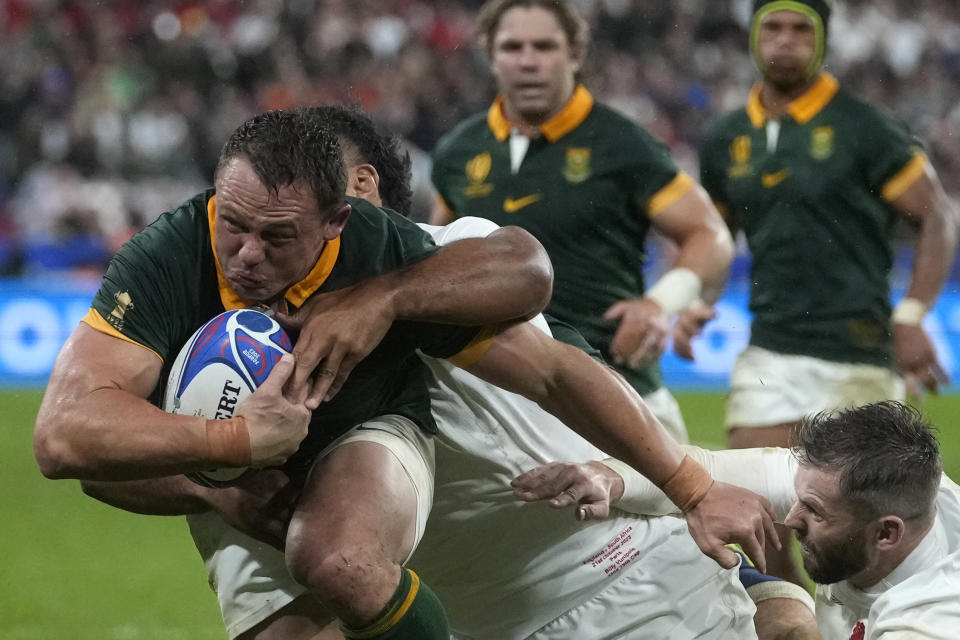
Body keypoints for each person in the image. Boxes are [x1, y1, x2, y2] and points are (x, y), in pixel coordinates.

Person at [38, 106, 773, 640]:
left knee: (338, 560)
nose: (246, 255)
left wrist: (693, 490)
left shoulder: (387, 252)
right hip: (227, 470)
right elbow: (69, 442)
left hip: (371, 431)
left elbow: (546, 362)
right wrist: (227, 454)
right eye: (232, 223)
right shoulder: (169, 258)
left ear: (338, 219)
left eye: (276, 236)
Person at [683, 0, 958, 583]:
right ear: (754, 39)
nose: (786, 41)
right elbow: (714, 235)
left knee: (858, 528)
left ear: (825, 41)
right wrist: (697, 300)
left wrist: (911, 316)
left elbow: (937, 216)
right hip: (770, 346)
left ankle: (857, 621)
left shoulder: (865, 127)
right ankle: (791, 617)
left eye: (801, 29)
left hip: (856, 349)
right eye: (773, 28)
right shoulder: (726, 137)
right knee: (754, 506)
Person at [429, 0, 735, 443]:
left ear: (574, 55)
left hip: (620, 390)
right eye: (513, 47)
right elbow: (440, 253)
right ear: (490, 56)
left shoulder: (623, 144)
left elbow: (710, 233)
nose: (528, 60)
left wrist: (659, 305)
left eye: (544, 46)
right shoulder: (458, 151)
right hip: (503, 403)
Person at [516, 401, 960, 639]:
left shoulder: (928, 622)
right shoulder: (882, 489)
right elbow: (704, 468)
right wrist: (609, 478)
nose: (790, 518)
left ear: (886, 532)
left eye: (814, 513)